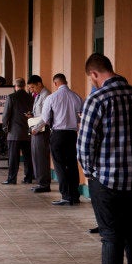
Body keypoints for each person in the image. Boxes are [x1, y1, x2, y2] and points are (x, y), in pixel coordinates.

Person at [78, 53, 132, 264]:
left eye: (91, 78)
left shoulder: (97, 99)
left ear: (94, 74)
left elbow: (85, 143)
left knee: (110, 235)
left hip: (106, 180)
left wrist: (90, 172)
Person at [42, 73, 83, 206]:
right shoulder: (76, 97)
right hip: (72, 135)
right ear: (66, 81)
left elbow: (46, 119)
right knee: (72, 164)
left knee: (60, 165)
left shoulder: (51, 98)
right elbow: (80, 116)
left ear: (55, 83)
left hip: (58, 135)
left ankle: (66, 195)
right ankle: (75, 195)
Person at [1, 77, 34, 185]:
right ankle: (28, 178)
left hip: (14, 133)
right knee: (27, 157)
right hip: (27, 132)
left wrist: (5, 126)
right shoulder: (30, 98)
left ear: (15, 86)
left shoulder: (11, 97)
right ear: (24, 85)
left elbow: (6, 115)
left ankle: (12, 178)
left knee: (13, 157)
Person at [27, 75, 52, 193]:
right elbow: (39, 114)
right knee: (36, 156)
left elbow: (45, 117)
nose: (31, 90)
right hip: (36, 129)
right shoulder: (38, 96)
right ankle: (40, 182)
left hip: (42, 130)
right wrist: (31, 115)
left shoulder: (46, 95)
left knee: (41, 157)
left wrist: (35, 129)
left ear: (39, 84)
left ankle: (44, 184)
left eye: (32, 87)